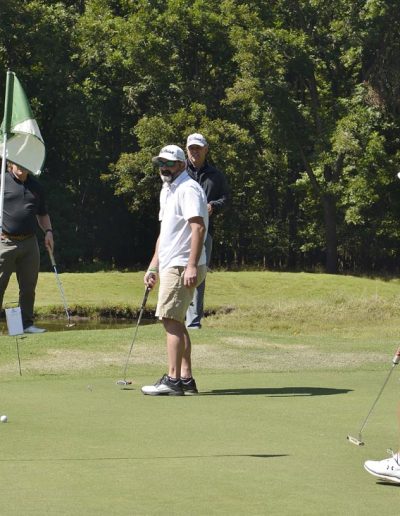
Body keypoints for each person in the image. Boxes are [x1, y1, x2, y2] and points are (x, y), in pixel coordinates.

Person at [141, 144, 208, 396]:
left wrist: (191, 266)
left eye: (169, 163)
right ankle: (186, 379)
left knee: (170, 320)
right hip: (171, 262)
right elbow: (165, 233)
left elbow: (198, 228)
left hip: (182, 264)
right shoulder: (168, 190)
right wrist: (153, 266)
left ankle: (172, 380)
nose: (164, 168)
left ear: (181, 164)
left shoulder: (188, 188)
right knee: (176, 321)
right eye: (161, 163)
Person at [0, 160, 54, 333]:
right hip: (5, 242)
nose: (21, 167)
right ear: (11, 164)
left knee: (28, 287)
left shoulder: (36, 186)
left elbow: (42, 214)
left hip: (30, 243)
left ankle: (27, 324)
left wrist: (48, 232)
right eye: (18, 163)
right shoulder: (2, 181)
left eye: (25, 163)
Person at [185, 133, 229, 329]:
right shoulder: (180, 172)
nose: (194, 151)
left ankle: (193, 322)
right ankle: (177, 317)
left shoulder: (216, 175)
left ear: (206, 150)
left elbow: (226, 199)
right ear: (187, 150)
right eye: (191, 148)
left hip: (205, 231)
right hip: (181, 231)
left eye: (198, 148)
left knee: (199, 272)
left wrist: (214, 206)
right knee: (177, 270)